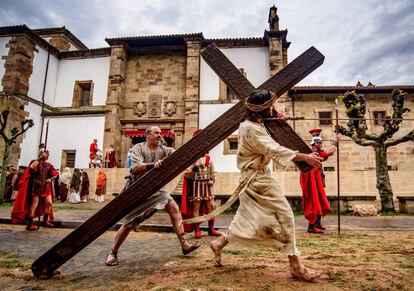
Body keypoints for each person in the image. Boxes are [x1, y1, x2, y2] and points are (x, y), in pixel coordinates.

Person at [209, 89, 323, 281]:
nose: (273, 108)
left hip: (255, 177)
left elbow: (268, 137)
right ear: (262, 109)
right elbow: (272, 148)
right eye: (271, 106)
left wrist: (278, 120)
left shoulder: (257, 123)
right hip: (257, 180)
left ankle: (219, 243)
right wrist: (305, 157)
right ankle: (296, 266)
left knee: (246, 218)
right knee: (285, 215)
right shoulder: (250, 129)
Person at [105, 126, 200, 266]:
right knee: (129, 222)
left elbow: (180, 155)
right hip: (138, 189)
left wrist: (195, 162)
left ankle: (184, 244)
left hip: (157, 188)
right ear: (147, 135)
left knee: (173, 206)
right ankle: (113, 252)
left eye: (161, 133)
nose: (159, 135)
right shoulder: (138, 148)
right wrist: (153, 165)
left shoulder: (164, 150)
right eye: (156, 133)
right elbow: (135, 168)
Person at [181, 129, 221, 239]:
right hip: (196, 186)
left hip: (208, 186)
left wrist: (212, 180)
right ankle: (197, 230)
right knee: (196, 208)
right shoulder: (192, 159)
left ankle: (211, 229)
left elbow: (213, 173)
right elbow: (186, 175)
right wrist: (195, 166)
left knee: (211, 206)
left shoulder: (209, 158)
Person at [300, 129, 339, 233]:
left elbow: (329, 152)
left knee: (319, 200)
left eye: (321, 143)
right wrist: (335, 141)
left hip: (316, 179)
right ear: (314, 143)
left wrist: (335, 141)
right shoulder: (309, 154)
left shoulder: (318, 153)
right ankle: (311, 226)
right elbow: (330, 152)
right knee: (313, 201)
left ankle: (317, 223)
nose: (321, 145)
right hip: (310, 180)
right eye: (319, 143)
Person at [11, 150, 58, 231]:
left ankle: (45, 220)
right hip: (36, 186)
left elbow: (55, 174)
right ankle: (29, 224)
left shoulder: (48, 165)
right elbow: (31, 168)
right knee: (34, 205)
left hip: (45, 187)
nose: (46, 156)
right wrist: (39, 158)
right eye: (44, 154)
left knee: (49, 203)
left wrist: (50, 179)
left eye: (47, 155)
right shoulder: (35, 162)